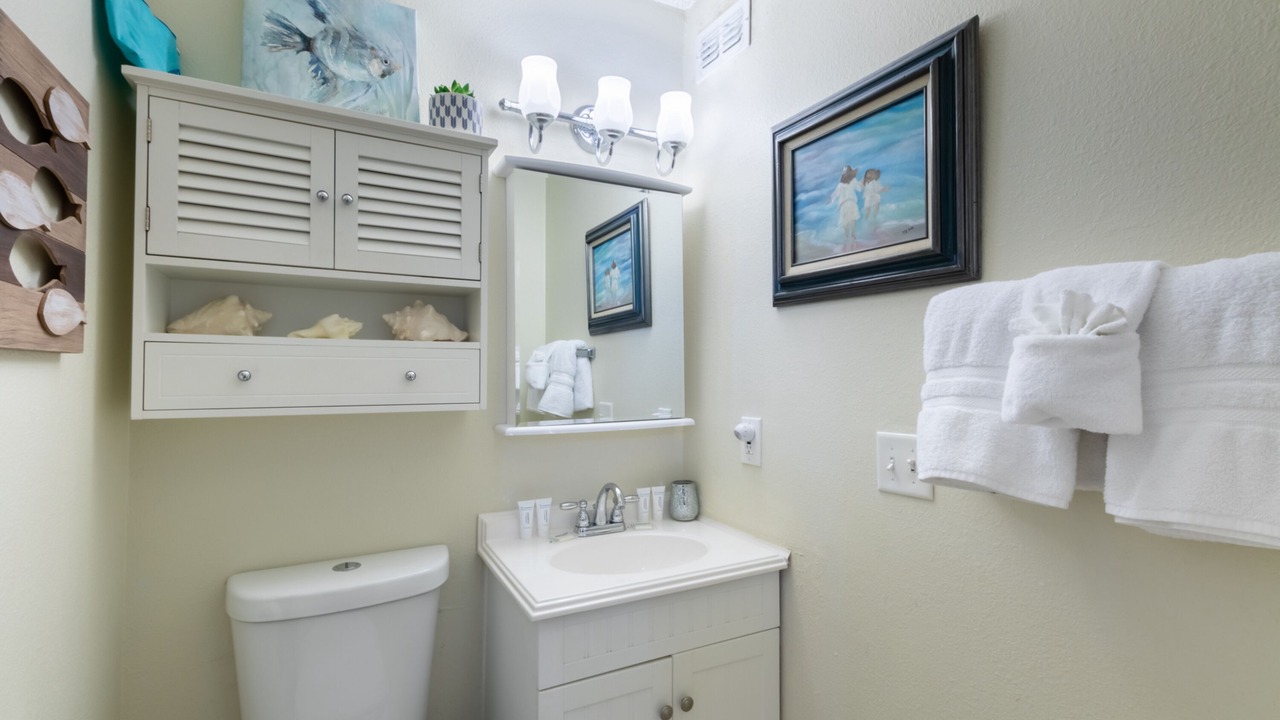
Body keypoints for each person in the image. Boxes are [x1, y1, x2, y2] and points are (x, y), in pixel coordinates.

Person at [828, 165, 861, 242]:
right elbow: (859, 188)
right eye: (843, 172)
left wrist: (831, 200)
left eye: (844, 171)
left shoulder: (841, 184)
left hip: (844, 204)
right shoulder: (853, 181)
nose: (843, 173)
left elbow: (835, 194)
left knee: (846, 221)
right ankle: (852, 236)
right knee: (851, 220)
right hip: (851, 203)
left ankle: (848, 237)